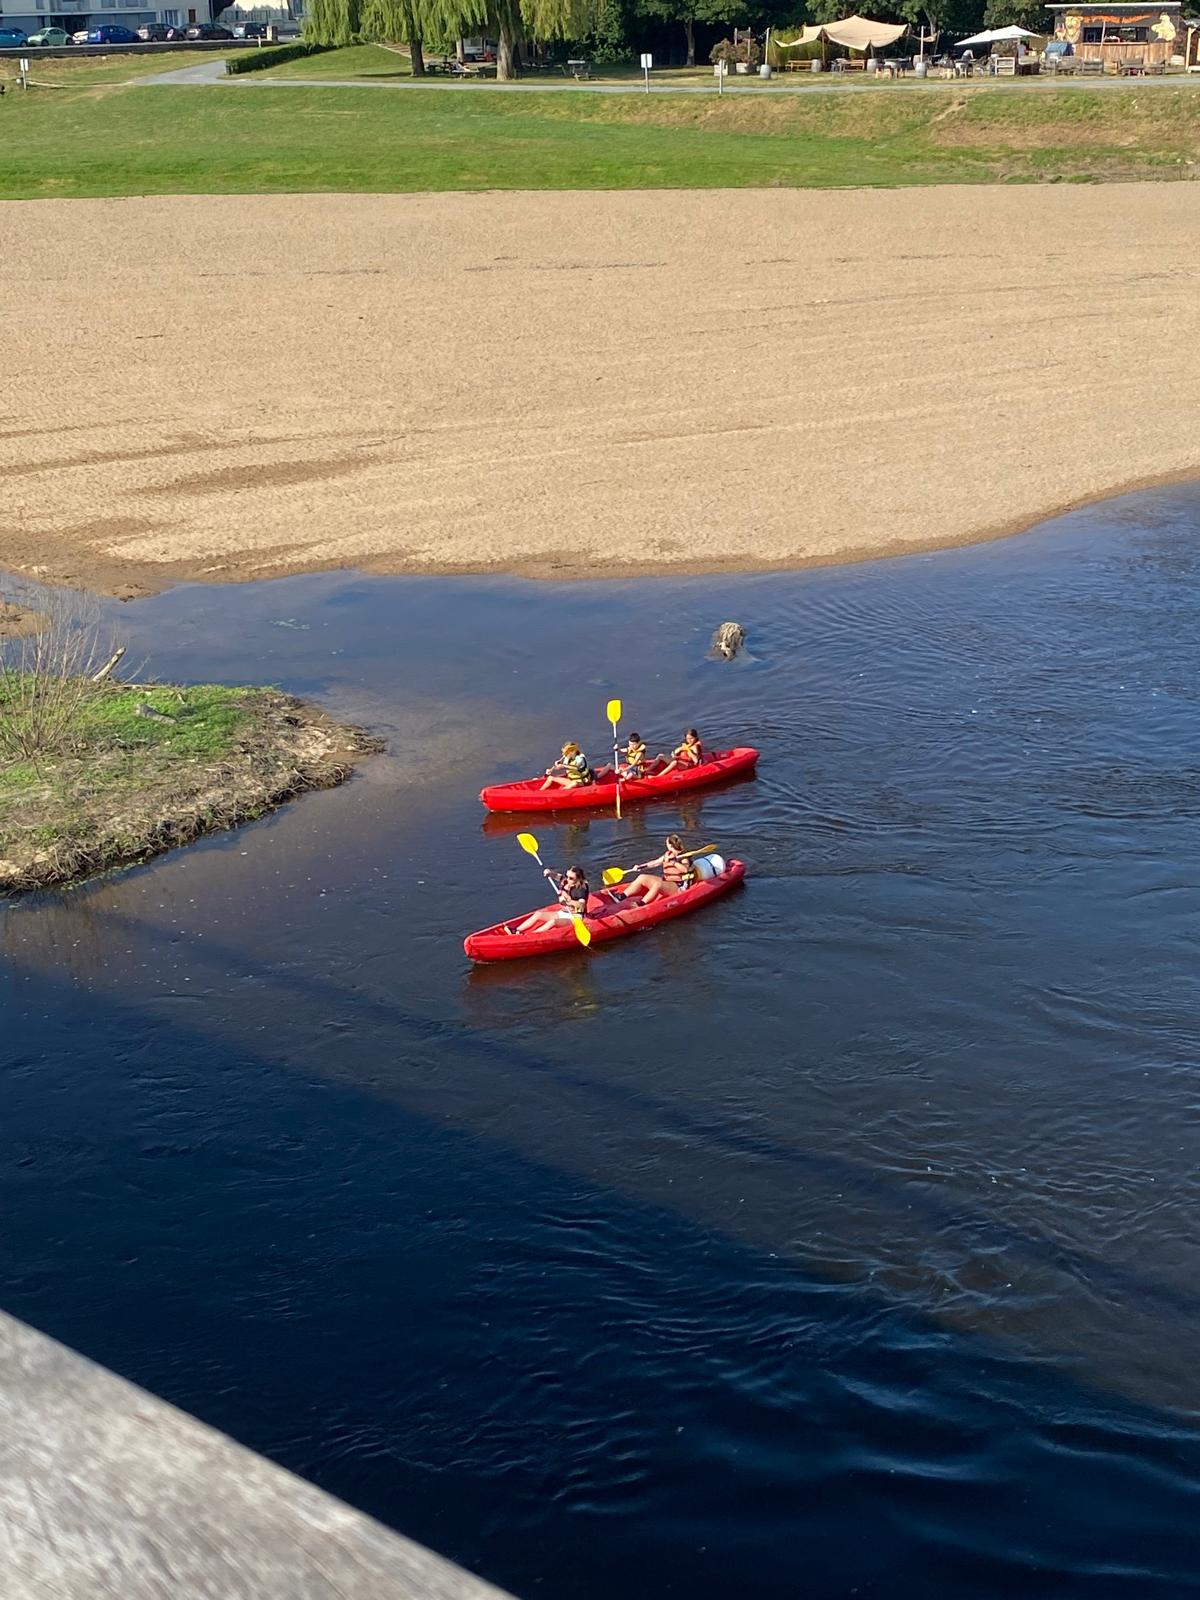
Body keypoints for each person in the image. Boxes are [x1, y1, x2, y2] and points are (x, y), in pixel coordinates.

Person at [510, 864, 591, 935]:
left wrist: (568, 901)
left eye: (571, 878)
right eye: (567, 876)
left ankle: (532, 936)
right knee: (538, 914)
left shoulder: (581, 889)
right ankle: (516, 930)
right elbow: (559, 877)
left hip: (575, 917)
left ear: (578, 879)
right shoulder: (566, 881)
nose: (567, 879)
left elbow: (581, 905)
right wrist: (550, 873)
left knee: (553, 922)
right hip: (563, 912)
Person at [619, 835, 697, 906]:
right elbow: (654, 863)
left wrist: (674, 862)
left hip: (678, 886)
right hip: (667, 881)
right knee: (642, 877)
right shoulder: (668, 854)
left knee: (658, 884)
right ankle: (621, 896)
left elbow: (685, 869)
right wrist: (641, 866)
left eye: (666, 843)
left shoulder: (683, 857)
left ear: (670, 845)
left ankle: (641, 904)